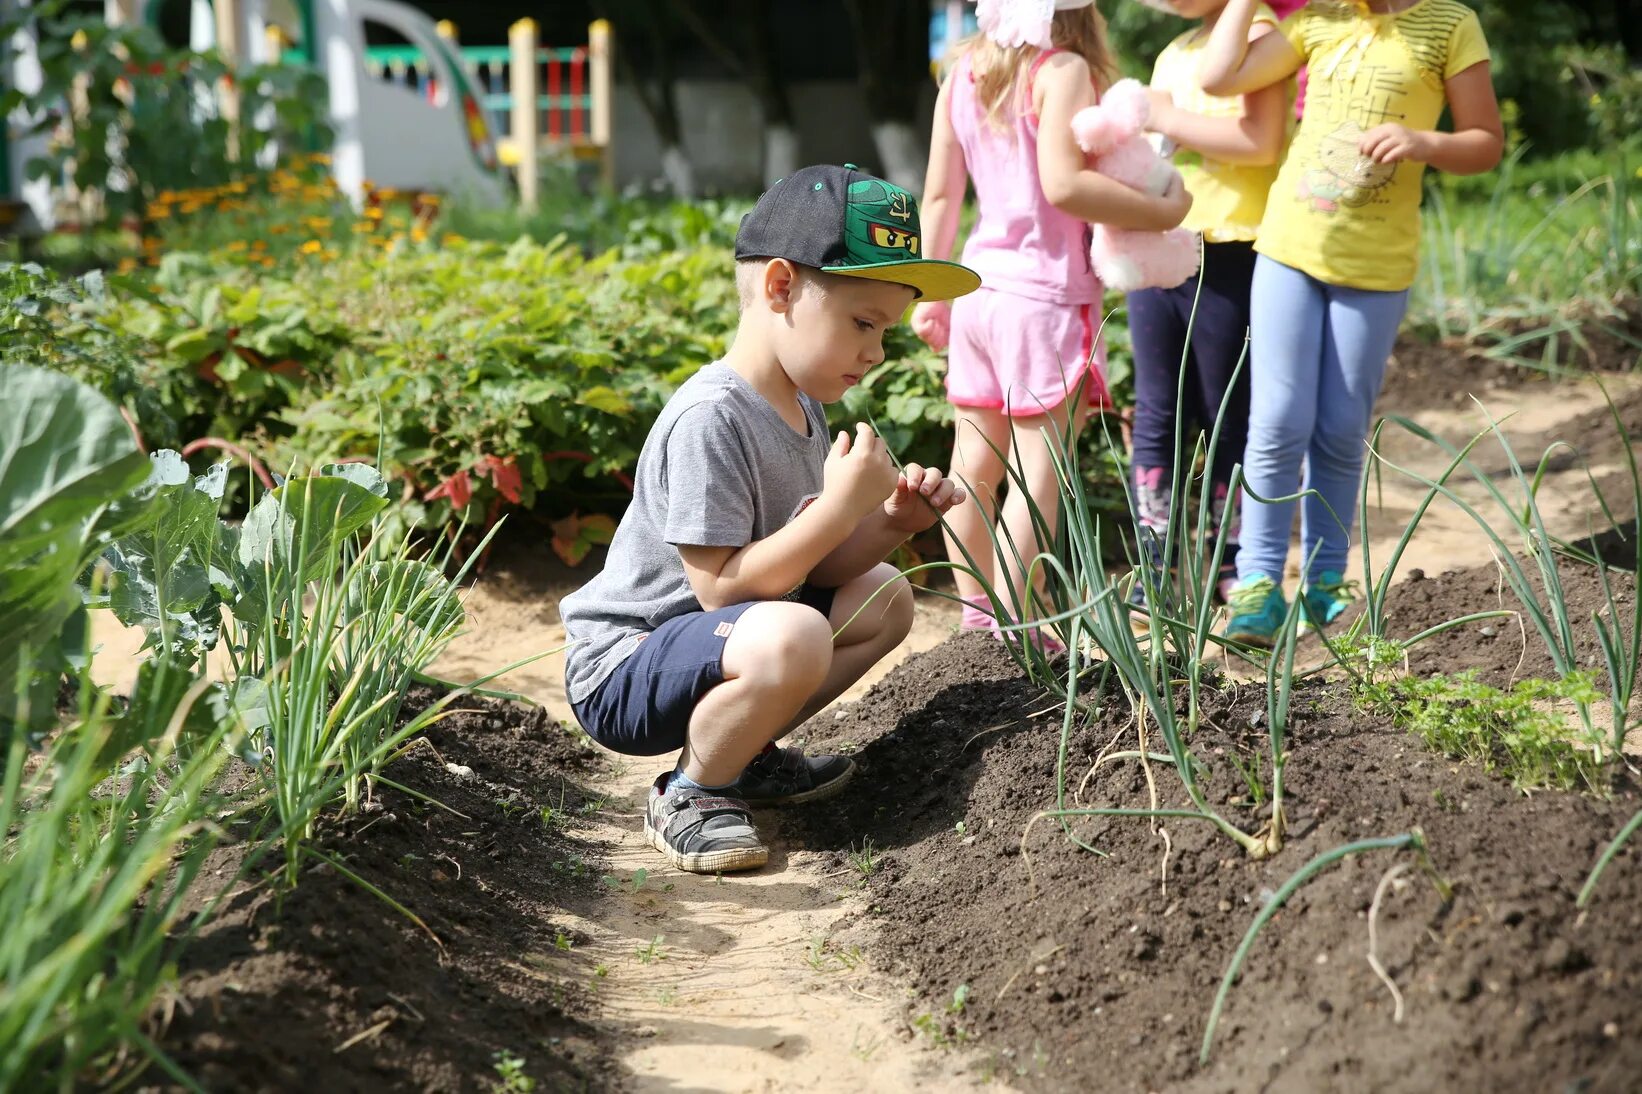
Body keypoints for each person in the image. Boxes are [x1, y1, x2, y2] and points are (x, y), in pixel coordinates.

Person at [559, 165, 981, 873]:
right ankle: (690, 792)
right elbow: (722, 590)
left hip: (726, 642)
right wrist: (844, 503)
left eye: (885, 332)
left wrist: (889, 524)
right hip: (627, 665)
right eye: (862, 323)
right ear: (781, 286)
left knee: (884, 595)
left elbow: (811, 565)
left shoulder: (803, 408)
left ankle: (739, 752)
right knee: (795, 631)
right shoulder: (710, 417)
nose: (876, 353)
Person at [1198, 0, 1503, 646]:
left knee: (1339, 429)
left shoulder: (1451, 24)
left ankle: (1327, 585)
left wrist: (1425, 143)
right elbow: (1218, 79)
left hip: (1378, 264)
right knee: (1278, 419)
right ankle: (1256, 585)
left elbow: (1485, 143)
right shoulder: (1317, 20)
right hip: (1290, 247)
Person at [910, 0, 1192, 643]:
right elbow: (1063, 186)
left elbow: (939, 195)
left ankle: (980, 620)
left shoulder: (962, 75)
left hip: (979, 292)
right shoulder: (1060, 69)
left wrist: (932, 292)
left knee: (972, 471)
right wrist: (1166, 210)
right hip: (1044, 299)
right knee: (1041, 470)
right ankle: (1020, 624)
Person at [1125, 0, 1291, 606]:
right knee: (1155, 412)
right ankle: (1155, 567)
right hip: (1158, 245)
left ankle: (1230, 564)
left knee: (1227, 412)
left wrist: (1164, 113)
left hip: (1232, 249)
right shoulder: (1176, 51)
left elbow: (1259, 143)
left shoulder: (1261, 34)